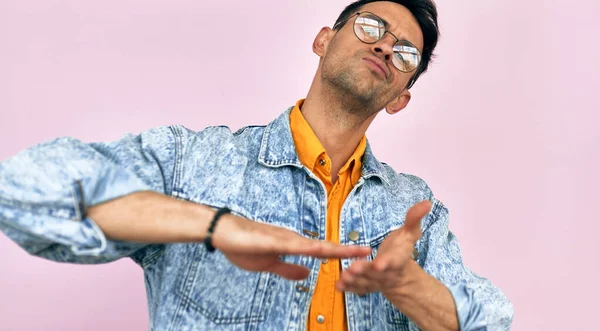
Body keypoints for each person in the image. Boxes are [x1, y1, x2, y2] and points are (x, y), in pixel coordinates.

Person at [0, 0, 514, 330]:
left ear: (401, 98)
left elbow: (491, 323)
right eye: (371, 26)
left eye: (406, 54)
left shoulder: (413, 210)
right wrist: (215, 226)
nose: (385, 45)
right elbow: (24, 190)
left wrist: (407, 286)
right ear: (323, 40)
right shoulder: (194, 163)